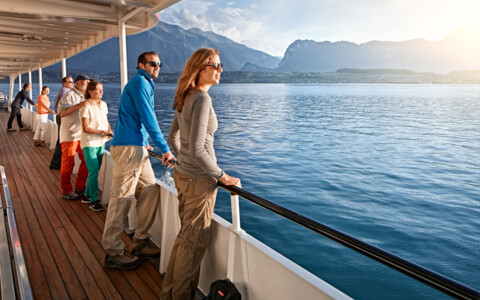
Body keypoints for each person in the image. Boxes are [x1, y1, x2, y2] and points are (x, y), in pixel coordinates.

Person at [162, 48, 241, 300]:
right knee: (192, 246)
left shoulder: (185, 95)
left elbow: (172, 138)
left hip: (183, 175)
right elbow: (197, 149)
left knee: (185, 238)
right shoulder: (202, 99)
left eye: (221, 65)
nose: (220, 70)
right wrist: (222, 176)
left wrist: (182, 159)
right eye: (215, 65)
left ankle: (169, 294)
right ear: (200, 68)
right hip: (199, 181)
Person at [102, 52, 174, 269]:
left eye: (159, 64)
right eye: (153, 64)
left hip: (138, 147)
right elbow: (148, 116)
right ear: (141, 64)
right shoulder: (140, 82)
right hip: (129, 149)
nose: (157, 67)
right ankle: (113, 252)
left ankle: (140, 241)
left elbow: (138, 118)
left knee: (151, 190)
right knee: (121, 199)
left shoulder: (145, 83)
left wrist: (144, 141)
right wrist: (165, 148)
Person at [79, 81, 112, 212]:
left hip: (101, 142)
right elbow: (85, 128)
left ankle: (86, 195)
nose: (101, 92)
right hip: (89, 143)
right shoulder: (86, 106)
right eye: (98, 90)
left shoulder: (103, 104)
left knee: (96, 171)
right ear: (90, 91)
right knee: (93, 171)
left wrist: (109, 131)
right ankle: (94, 200)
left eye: (102, 89)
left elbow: (105, 120)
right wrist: (103, 132)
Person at [57, 74, 90, 200]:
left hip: (82, 135)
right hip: (70, 135)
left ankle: (80, 187)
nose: (88, 84)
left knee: (87, 160)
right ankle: (66, 191)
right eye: (86, 82)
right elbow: (61, 113)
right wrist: (78, 105)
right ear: (78, 83)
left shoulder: (85, 95)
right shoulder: (69, 95)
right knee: (68, 163)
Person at [50, 76, 74, 169]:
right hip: (62, 118)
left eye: (72, 81)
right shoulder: (65, 92)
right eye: (70, 82)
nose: (72, 83)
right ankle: (56, 164)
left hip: (59, 117)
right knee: (62, 141)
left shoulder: (62, 91)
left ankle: (56, 163)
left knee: (61, 140)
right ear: (64, 83)